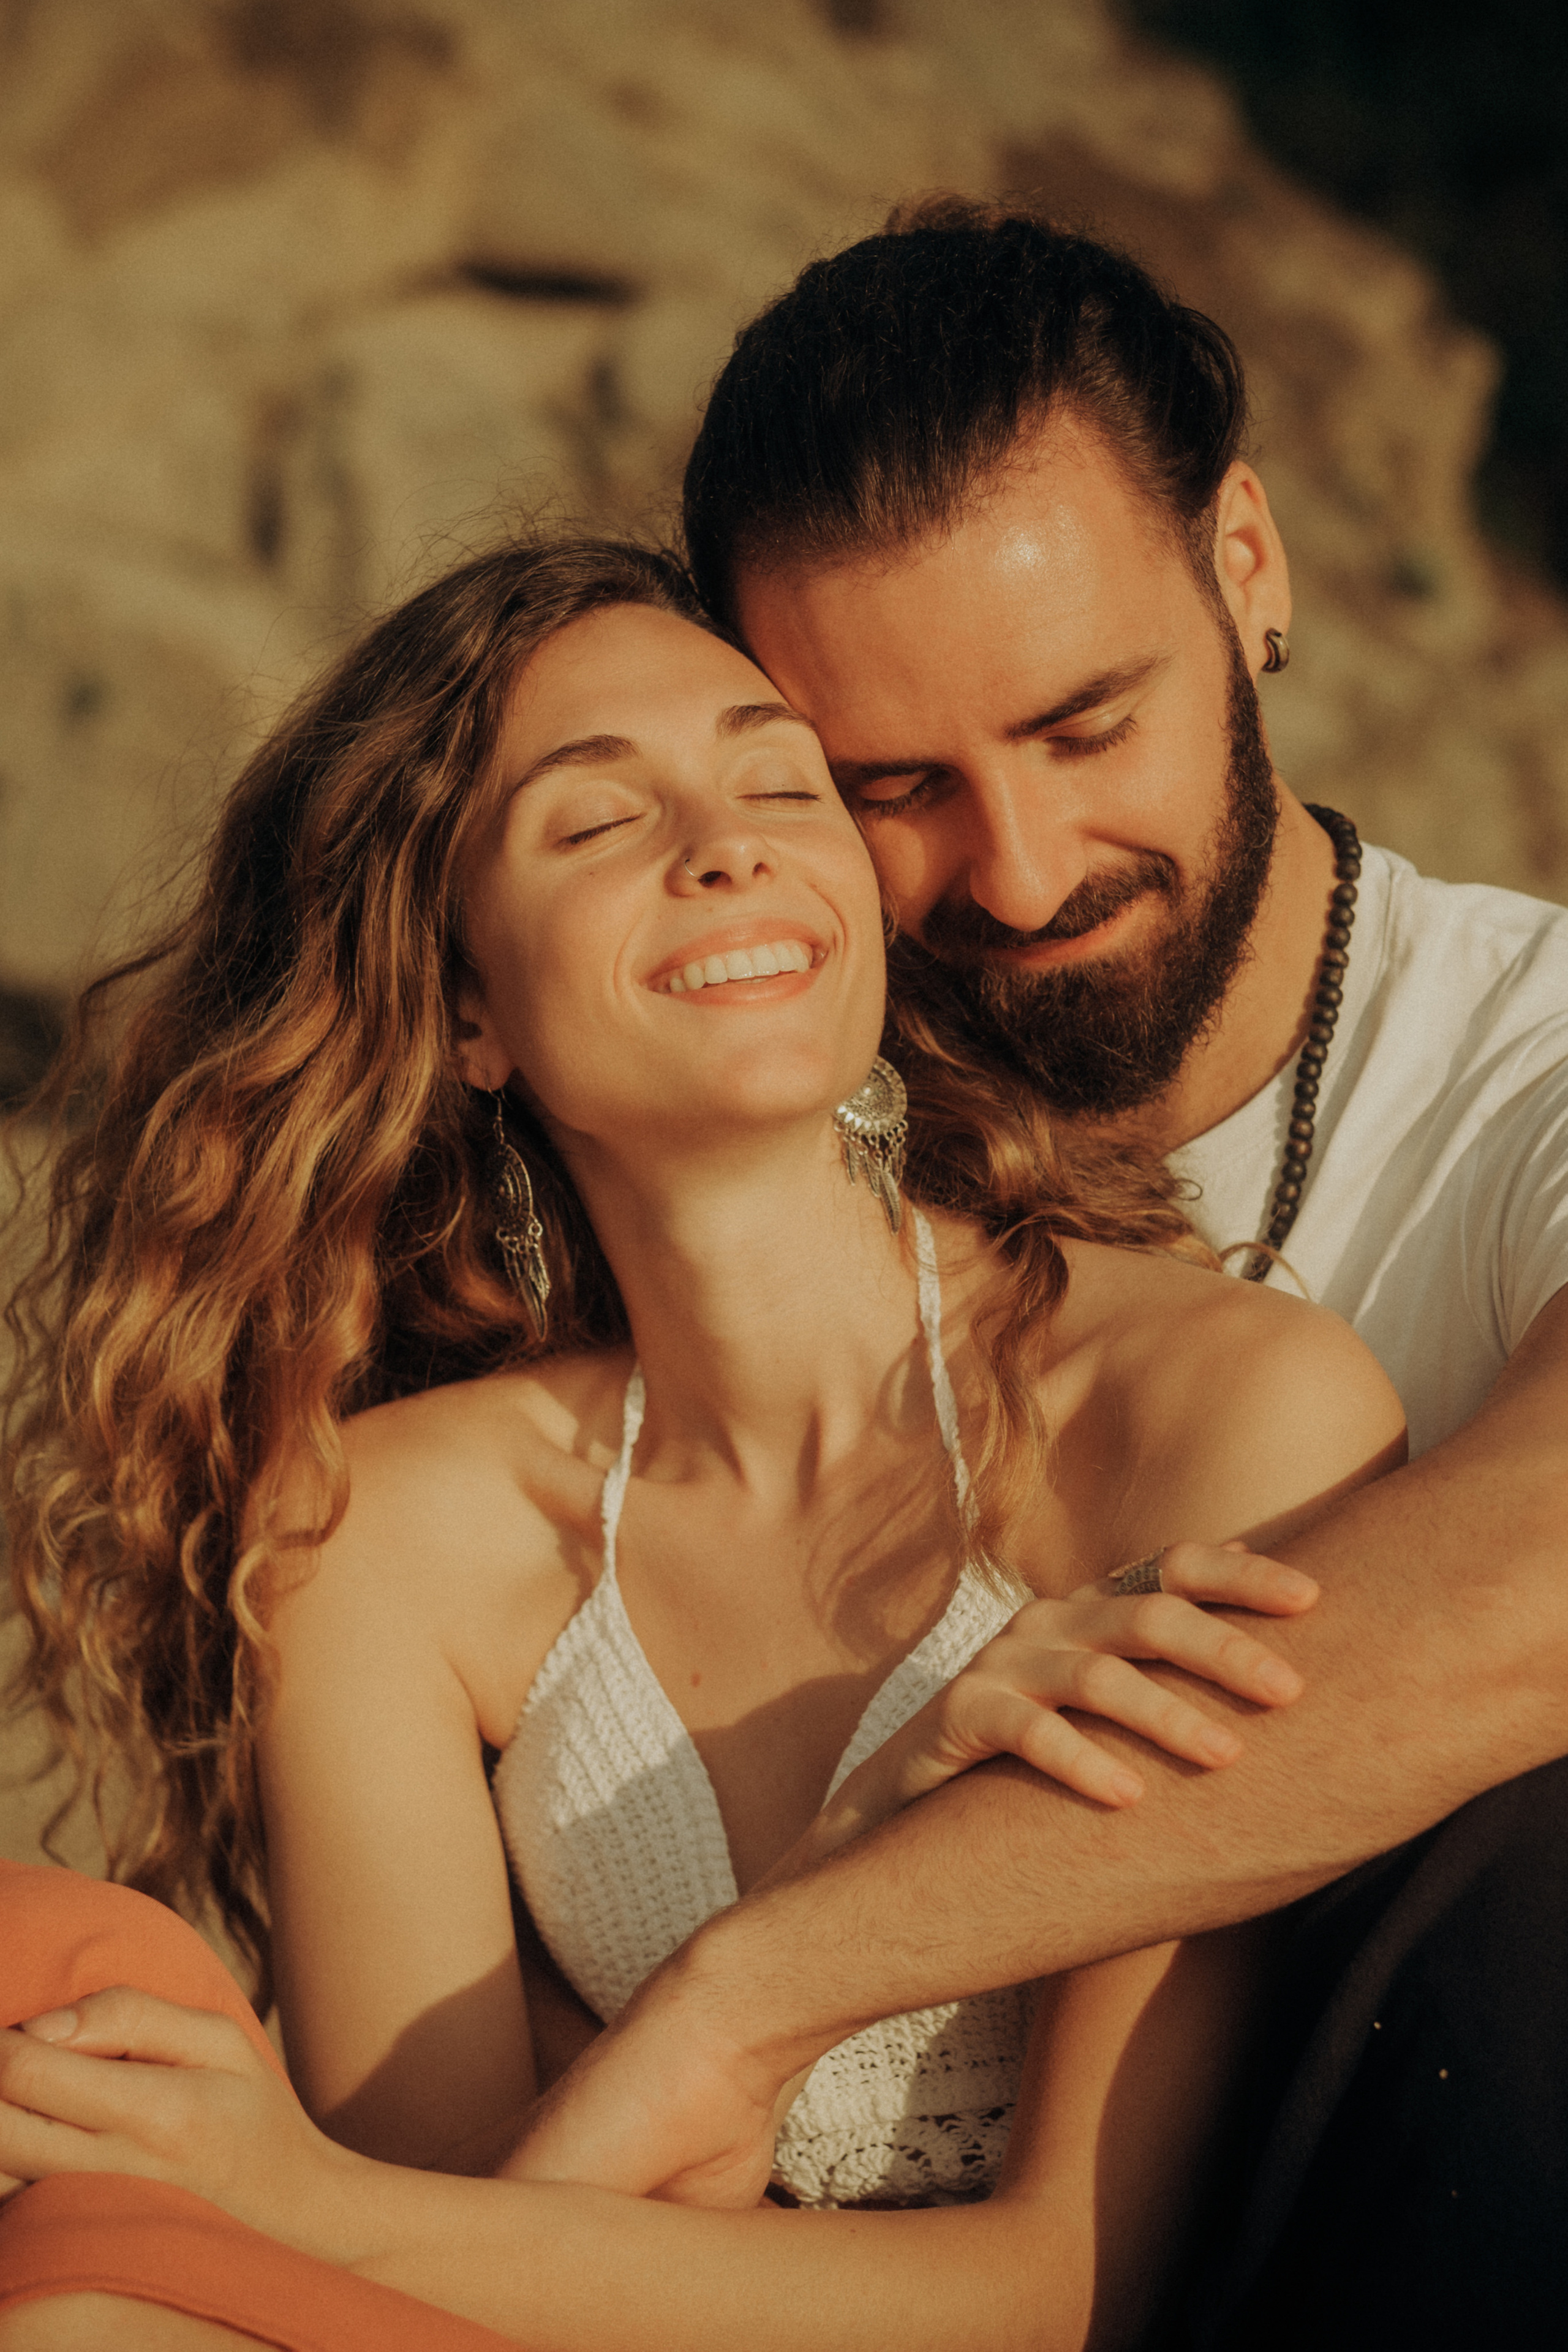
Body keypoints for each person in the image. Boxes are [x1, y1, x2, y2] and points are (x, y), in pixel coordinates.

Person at [0, 532, 1403, 2347]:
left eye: (777, 779)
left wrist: (318, 2202)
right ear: (471, 1015)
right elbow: (453, 2293)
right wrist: (836, 1894)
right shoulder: (387, 1536)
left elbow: (1066, 2291)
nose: (721, 843)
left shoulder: (1211, 1413)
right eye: (595, 825)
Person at [492, 200, 1568, 2343]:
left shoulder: (1524, 1062)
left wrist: (776, 1979)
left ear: (1244, 570)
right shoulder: (713, 1105)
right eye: (893, 785)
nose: (1022, 867)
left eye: (1087, 726)